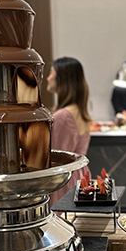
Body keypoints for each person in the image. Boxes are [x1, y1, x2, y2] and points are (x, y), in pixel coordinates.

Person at [46, 57, 92, 204]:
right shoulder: (79, 111)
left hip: (64, 182)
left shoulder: (63, 116)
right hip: (78, 176)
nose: (48, 78)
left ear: (61, 79)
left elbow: (56, 158)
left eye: (51, 73)